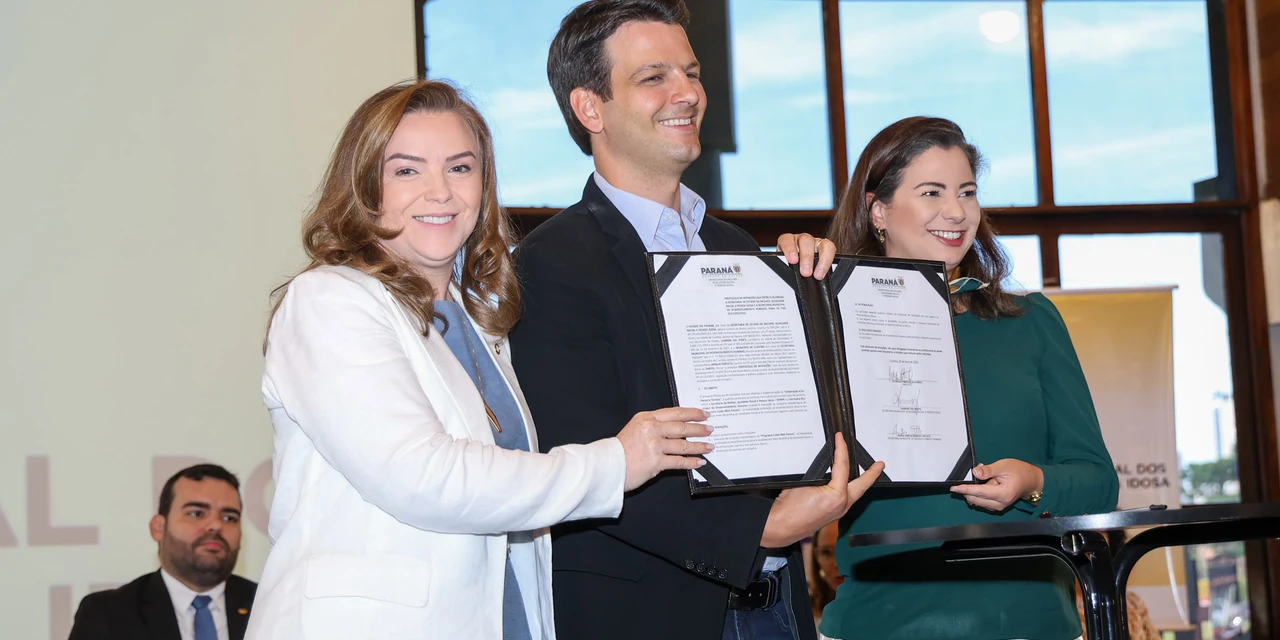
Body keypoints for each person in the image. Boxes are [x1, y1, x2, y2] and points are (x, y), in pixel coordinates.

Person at [247, 79, 717, 640]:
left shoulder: (480, 324)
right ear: (365, 187)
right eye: (406, 170)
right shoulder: (330, 300)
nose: (439, 192)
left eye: (460, 167)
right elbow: (422, 477)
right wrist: (613, 463)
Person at [509, 2, 881, 639]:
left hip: (778, 606)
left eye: (692, 72)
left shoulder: (744, 253)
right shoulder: (546, 265)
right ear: (589, 108)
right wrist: (757, 529)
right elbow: (579, 458)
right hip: (645, 614)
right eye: (654, 77)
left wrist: (819, 298)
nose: (687, 93)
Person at [783, 115, 1120, 640]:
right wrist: (794, 287)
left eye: (967, 191)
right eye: (932, 192)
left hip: (1033, 624)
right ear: (879, 211)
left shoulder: (1029, 321)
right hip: (878, 625)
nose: (957, 211)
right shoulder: (830, 322)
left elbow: (1099, 482)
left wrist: (1033, 482)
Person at [68, 464, 257, 640]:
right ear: (158, 528)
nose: (216, 525)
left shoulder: (271, 602)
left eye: (229, 518)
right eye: (196, 513)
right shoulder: (107, 614)